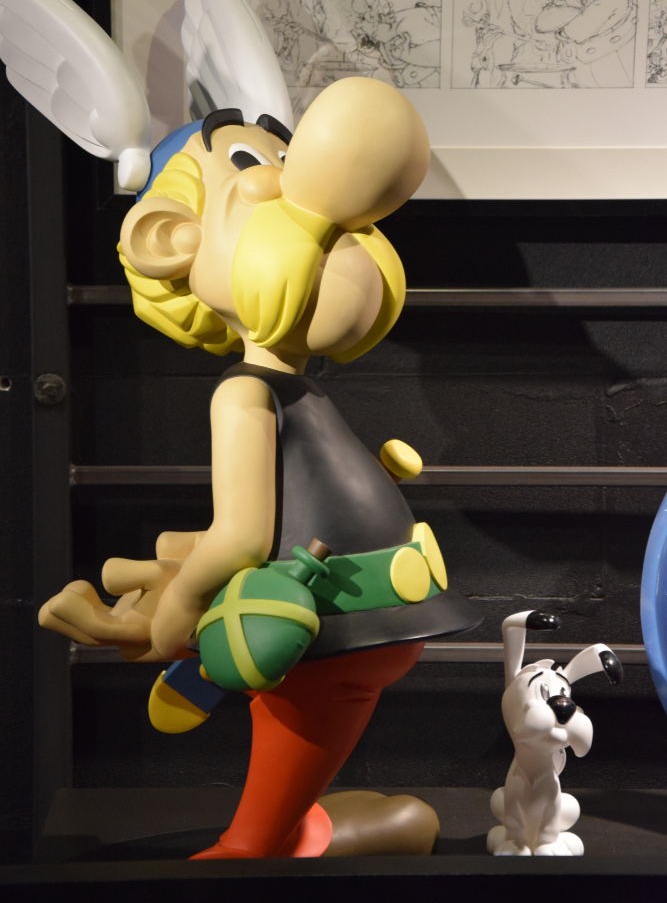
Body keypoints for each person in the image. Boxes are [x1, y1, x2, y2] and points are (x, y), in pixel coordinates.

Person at [39, 77, 480, 858]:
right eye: (257, 167)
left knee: (269, 798)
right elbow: (253, 531)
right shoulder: (263, 391)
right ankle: (321, 828)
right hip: (352, 617)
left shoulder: (257, 391)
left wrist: (173, 620)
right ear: (173, 239)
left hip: (336, 625)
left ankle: (258, 840)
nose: (295, 183)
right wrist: (179, 590)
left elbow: (247, 537)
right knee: (294, 725)